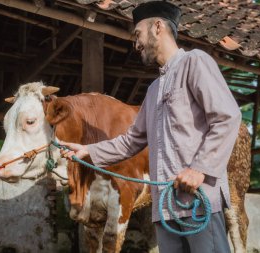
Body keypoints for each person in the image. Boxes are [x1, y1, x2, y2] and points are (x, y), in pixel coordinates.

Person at [60, 1, 241, 252]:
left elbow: (228, 116)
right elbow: (132, 140)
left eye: (138, 34)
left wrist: (200, 169)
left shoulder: (195, 62)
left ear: (158, 27)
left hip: (199, 201)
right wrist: (88, 151)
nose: (136, 43)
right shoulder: (154, 89)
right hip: (164, 209)